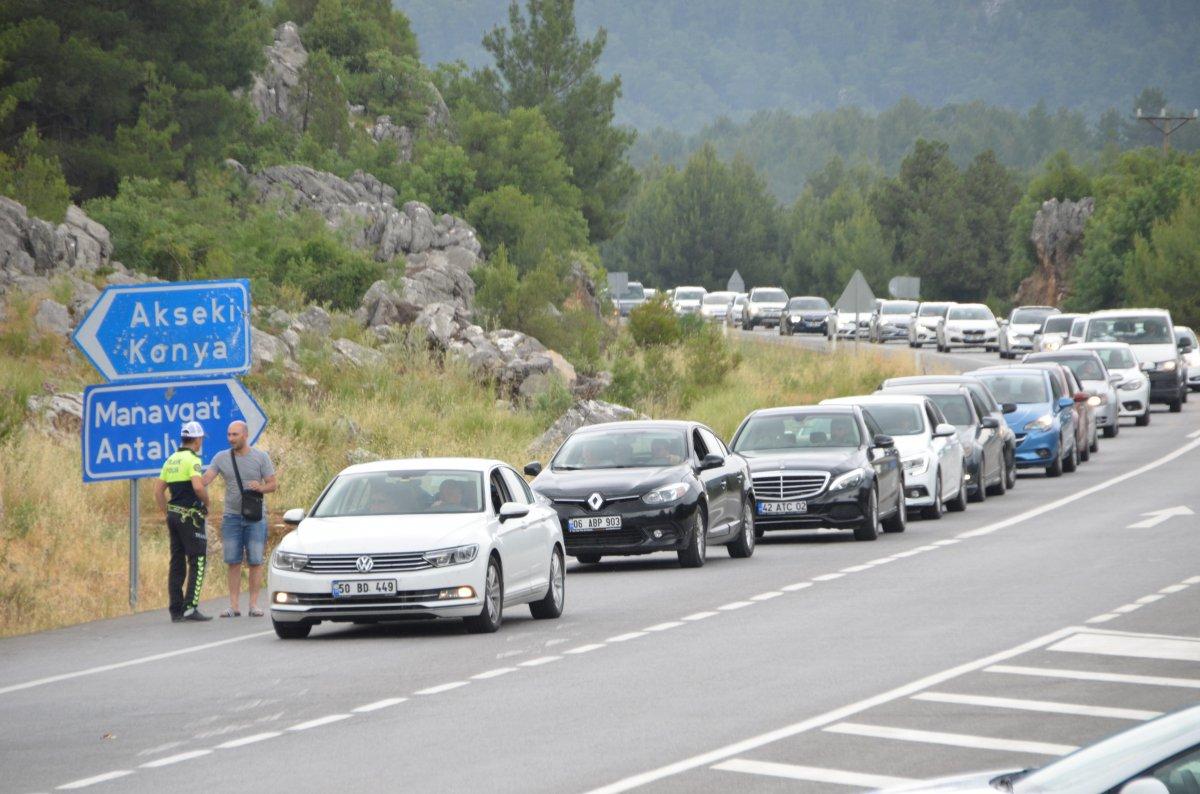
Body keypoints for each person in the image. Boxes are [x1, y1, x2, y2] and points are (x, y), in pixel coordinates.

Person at [203, 421, 276, 618]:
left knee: (255, 561)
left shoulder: (261, 457)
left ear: (245, 435)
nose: (230, 438)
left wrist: (260, 488)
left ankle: (254, 605)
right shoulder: (221, 457)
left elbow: (272, 484)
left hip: (255, 517)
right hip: (231, 517)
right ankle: (234, 606)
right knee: (233, 561)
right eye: (229, 434)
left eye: (235, 434)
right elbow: (206, 479)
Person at [155, 421, 212, 622]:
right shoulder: (192, 460)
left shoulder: (171, 459)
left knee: (177, 562)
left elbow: (158, 491)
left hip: (173, 516)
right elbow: (198, 486)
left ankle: (176, 609)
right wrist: (207, 502)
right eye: (201, 439)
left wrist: (167, 512)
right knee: (198, 559)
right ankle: (190, 607)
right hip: (190, 517)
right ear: (196, 440)